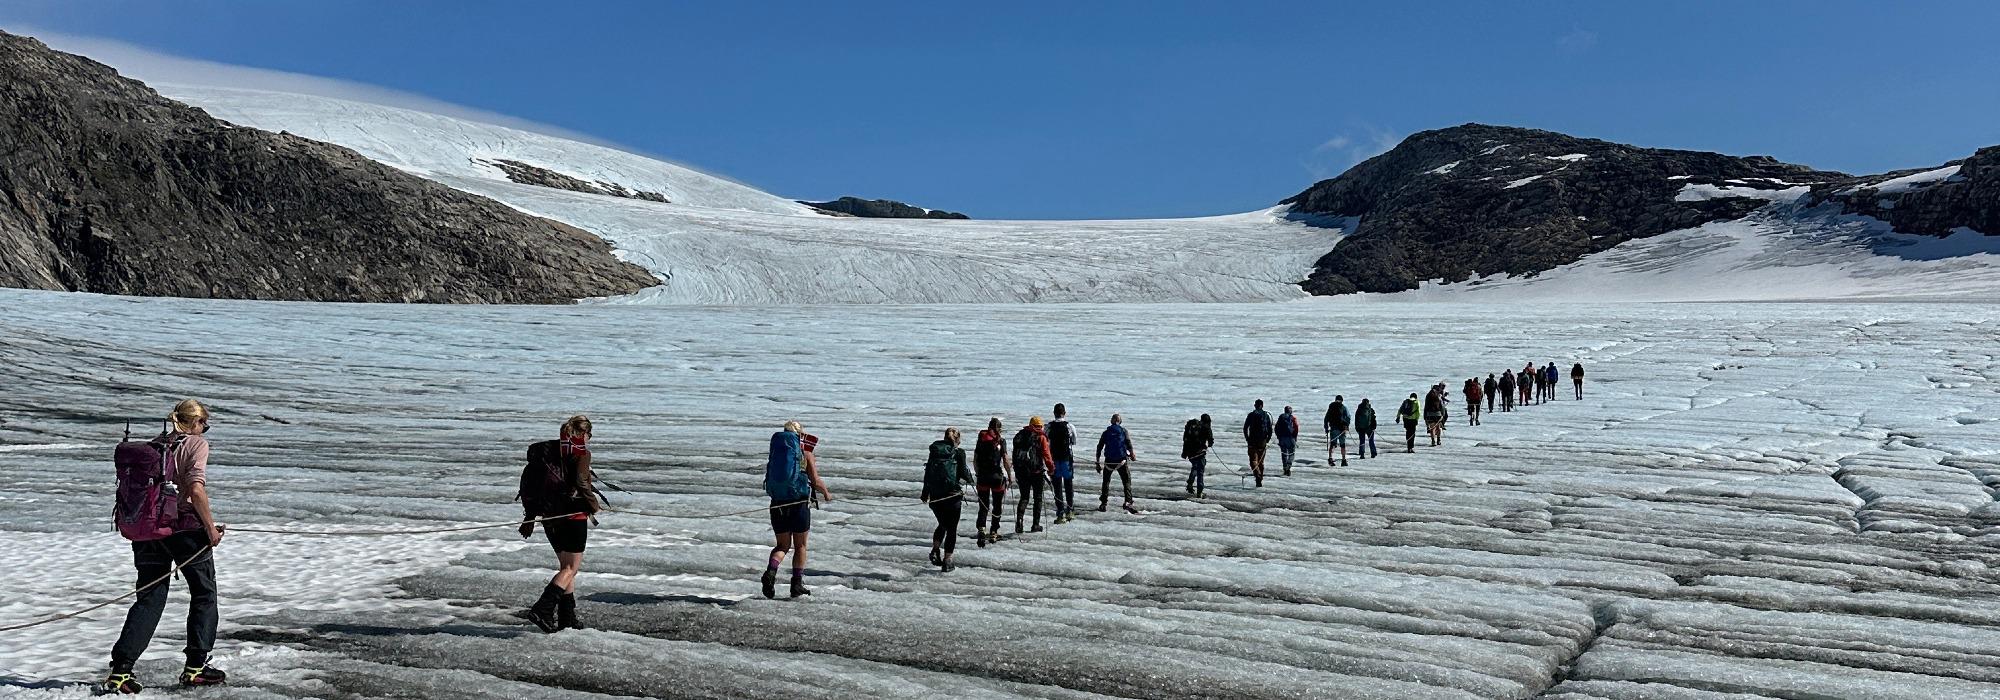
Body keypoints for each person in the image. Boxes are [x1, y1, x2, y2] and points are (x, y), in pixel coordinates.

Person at [103, 400, 227, 694]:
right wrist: (210, 528)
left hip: (148, 531)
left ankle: (120, 672)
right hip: (184, 531)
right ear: (194, 424)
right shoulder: (196, 444)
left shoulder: (156, 445)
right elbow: (195, 489)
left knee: (149, 599)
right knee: (204, 595)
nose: (204, 430)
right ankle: (195, 667)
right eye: (203, 424)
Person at [519, 415, 601, 632]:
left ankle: (567, 618)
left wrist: (530, 517)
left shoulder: (549, 452)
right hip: (573, 517)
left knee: (565, 567)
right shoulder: (581, 453)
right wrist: (594, 505)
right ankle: (543, 609)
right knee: (571, 568)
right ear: (584, 434)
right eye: (589, 435)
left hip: (549, 517)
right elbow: (582, 483)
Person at [763, 421, 832, 599]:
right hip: (799, 504)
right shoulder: (805, 453)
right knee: (800, 545)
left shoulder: (776, 453)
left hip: (777, 503)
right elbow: (815, 481)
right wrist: (826, 493)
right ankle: (796, 584)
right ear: (800, 435)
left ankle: (771, 572)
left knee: (782, 545)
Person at [922, 428, 971, 572]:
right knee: (952, 528)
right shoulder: (959, 453)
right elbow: (963, 473)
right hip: (952, 496)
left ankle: (936, 550)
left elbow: (928, 472)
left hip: (935, 496)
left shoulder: (935, 451)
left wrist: (925, 493)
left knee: (943, 524)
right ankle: (948, 560)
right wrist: (970, 479)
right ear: (957, 439)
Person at [1012, 417, 1054, 533]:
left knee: (1024, 497)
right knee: (1038, 498)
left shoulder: (1020, 436)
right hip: (1036, 472)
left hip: (1022, 472)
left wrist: (1016, 471)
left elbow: (1015, 455)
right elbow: (1047, 456)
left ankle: (1019, 522)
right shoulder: (1041, 437)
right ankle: (1035, 524)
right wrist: (1051, 469)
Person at [972, 418, 1010, 546]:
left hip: (982, 477)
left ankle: (982, 528)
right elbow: (1005, 460)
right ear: (999, 428)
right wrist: (1009, 475)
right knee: (997, 505)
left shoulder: (981, 440)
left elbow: (975, 459)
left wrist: (977, 473)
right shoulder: (1001, 441)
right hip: (997, 478)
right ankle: (994, 531)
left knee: (983, 505)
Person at [1095, 414, 1137, 513]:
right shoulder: (1123, 431)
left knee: (1106, 481)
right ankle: (1127, 501)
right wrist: (1132, 454)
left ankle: (1103, 503)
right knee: (1126, 481)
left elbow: (1099, 447)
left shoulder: (1106, 432)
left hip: (1109, 461)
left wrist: (1097, 462)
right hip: (1121, 460)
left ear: (1112, 421)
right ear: (1120, 421)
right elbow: (1128, 443)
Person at [1047, 403, 1078, 524]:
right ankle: (1070, 510)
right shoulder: (1070, 426)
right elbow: (1074, 441)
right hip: (1066, 460)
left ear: (1054, 413)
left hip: (1054, 459)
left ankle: (1060, 513)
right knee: (1068, 485)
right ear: (1064, 413)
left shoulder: (1049, 426)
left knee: (1057, 487)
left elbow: (1046, 440)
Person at [1242, 400, 1274, 487]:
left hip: (1252, 440)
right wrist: (1267, 439)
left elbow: (1245, 428)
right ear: (1262, 406)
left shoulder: (1251, 415)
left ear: (1255, 405)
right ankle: (1260, 478)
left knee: (1253, 460)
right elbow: (1270, 430)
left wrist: (1247, 438)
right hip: (1262, 441)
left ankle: (1257, 475)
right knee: (1261, 461)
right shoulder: (1266, 415)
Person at [1181, 418, 1207, 498]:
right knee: (1200, 472)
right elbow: (1203, 441)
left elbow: (1185, 443)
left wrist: (1184, 454)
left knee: (1195, 468)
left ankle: (1190, 483)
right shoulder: (1200, 430)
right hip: (1200, 453)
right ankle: (1200, 491)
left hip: (1191, 454)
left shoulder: (1187, 432)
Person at [1324, 396, 1351, 467]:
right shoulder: (1343, 407)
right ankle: (1344, 460)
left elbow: (1326, 418)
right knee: (1343, 445)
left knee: (1332, 444)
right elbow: (1348, 417)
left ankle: (1330, 458)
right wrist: (1347, 425)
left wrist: (1326, 428)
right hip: (1342, 428)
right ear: (1342, 400)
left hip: (1333, 428)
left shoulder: (1331, 407)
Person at [1275, 406, 1301, 476]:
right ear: (1290, 411)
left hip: (1282, 438)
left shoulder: (1281, 417)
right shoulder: (1293, 418)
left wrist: (1278, 437)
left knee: (1284, 453)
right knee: (1291, 453)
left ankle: (1284, 467)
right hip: (1290, 438)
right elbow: (1296, 427)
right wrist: (1295, 437)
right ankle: (1288, 467)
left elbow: (1276, 428)